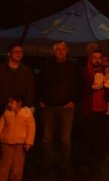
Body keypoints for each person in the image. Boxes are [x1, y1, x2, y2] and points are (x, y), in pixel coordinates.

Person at [36, 41, 80, 175]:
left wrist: (75, 101)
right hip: (48, 107)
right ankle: (48, 162)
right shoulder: (47, 65)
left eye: (62, 49)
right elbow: (39, 83)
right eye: (57, 49)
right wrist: (40, 100)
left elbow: (81, 85)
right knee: (47, 138)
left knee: (65, 139)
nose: (60, 51)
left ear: (67, 50)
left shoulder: (74, 66)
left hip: (66, 107)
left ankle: (64, 163)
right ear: (53, 51)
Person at [0, 44, 35, 143]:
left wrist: (27, 105)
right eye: (16, 51)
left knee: (18, 139)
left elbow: (30, 90)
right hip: (0, 109)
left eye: (21, 51)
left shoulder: (26, 71)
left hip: (20, 111)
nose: (19, 54)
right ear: (8, 54)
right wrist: (3, 102)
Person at [77, 49, 109, 174]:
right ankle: (83, 162)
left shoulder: (106, 71)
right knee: (87, 137)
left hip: (103, 110)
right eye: (94, 57)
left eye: (99, 57)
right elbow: (79, 90)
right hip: (89, 109)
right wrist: (91, 87)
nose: (97, 60)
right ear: (90, 59)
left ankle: (95, 162)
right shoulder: (84, 72)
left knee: (99, 138)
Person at [0, 93, 36, 181]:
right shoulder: (7, 113)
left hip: (20, 144)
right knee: (4, 164)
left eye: (11, 102)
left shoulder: (27, 114)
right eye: (9, 102)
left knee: (17, 165)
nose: (9, 104)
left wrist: (28, 142)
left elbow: (31, 129)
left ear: (19, 103)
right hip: (6, 142)